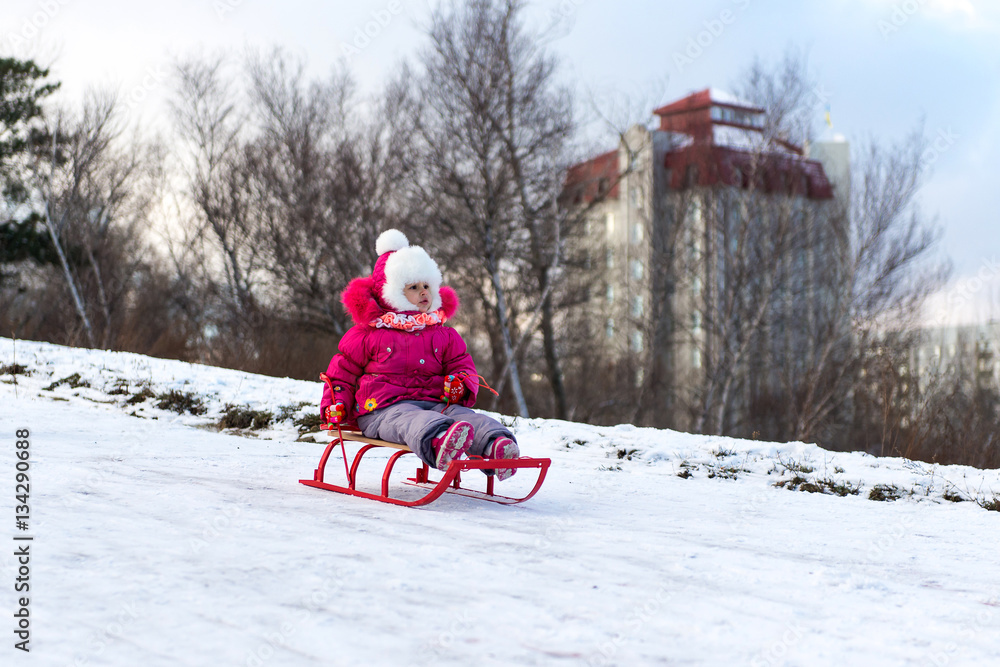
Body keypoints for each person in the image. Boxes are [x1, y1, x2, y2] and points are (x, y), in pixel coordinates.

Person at [320, 229, 520, 479]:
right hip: (382, 411)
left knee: (464, 416)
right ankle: (439, 442)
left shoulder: (443, 334)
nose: (424, 292)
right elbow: (342, 374)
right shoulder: (368, 334)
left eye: (427, 285)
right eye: (414, 287)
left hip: (435, 405)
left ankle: (495, 446)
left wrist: (460, 383)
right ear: (390, 293)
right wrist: (336, 404)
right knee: (410, 419)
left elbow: (463, 365)